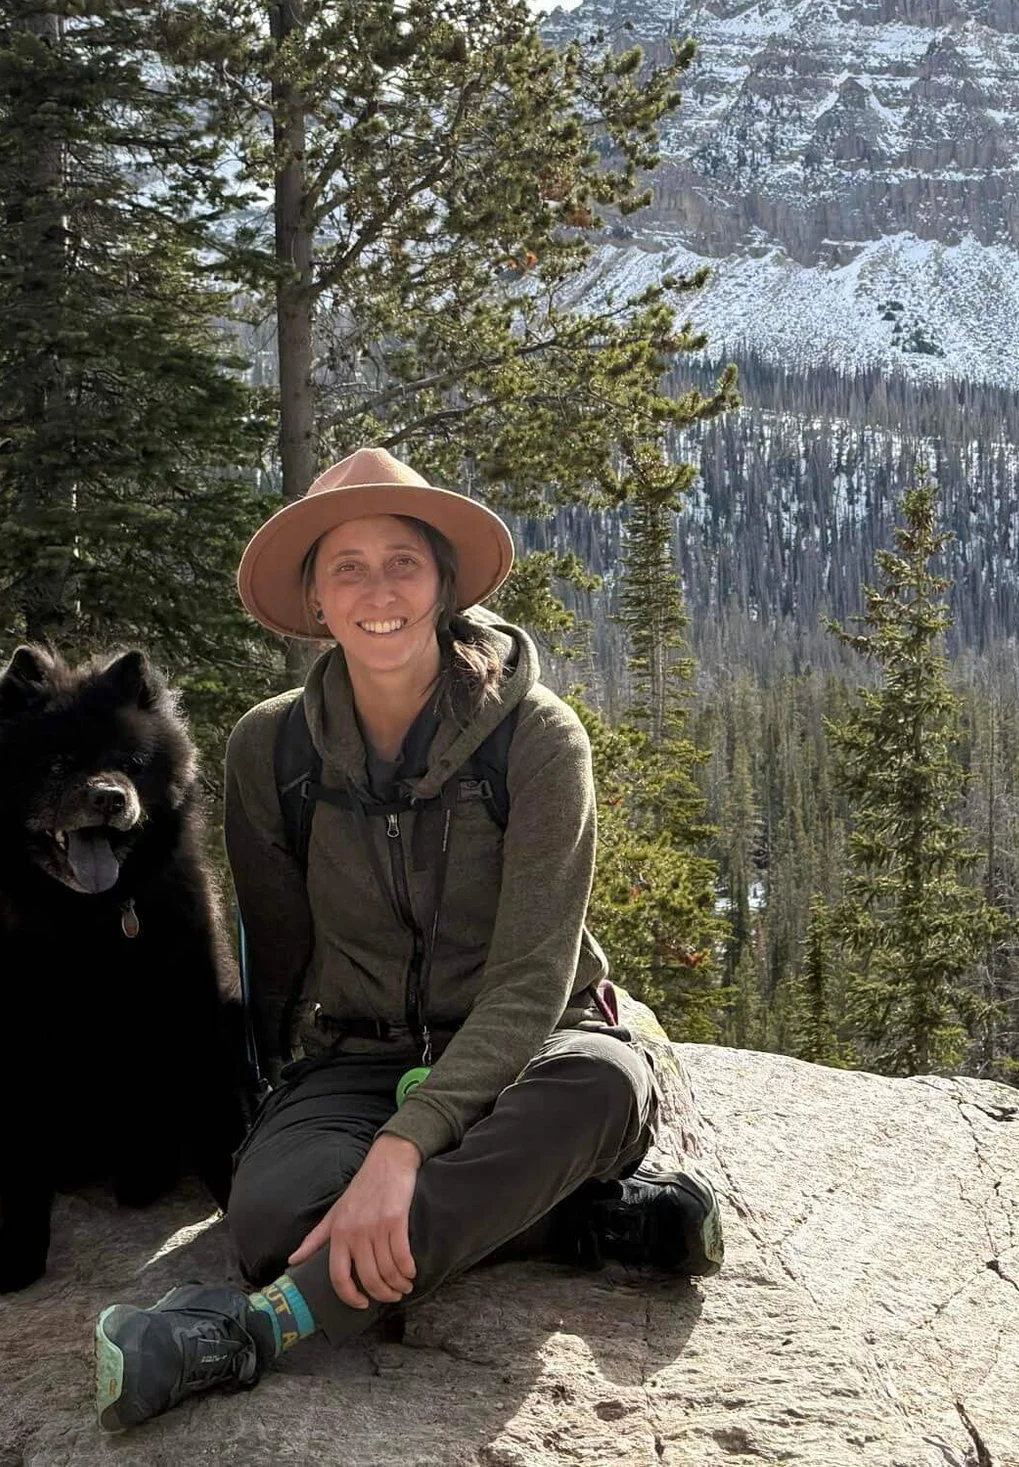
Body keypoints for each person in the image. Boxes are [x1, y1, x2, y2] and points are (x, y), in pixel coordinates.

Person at [93, 447, 723, 1432]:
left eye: (402, 563)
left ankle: (258, 1332)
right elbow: (275, 959)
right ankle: (577, 1218)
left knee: (605, 1086)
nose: (376, 590)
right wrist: (249, 1116)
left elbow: (528, 982)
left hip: (532, 1052)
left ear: (442, 585)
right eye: (347, 566)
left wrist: (398, 1153)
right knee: (267, 1218)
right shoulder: (273, 750)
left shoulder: (538, 742)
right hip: (361, 1055)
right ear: (313, 597)